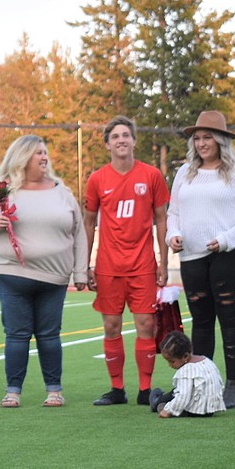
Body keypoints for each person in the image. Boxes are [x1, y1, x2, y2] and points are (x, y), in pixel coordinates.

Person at [0, 136, 88, 407]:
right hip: (11, 274)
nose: (44, 158)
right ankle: (13, 391)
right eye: (38, 154)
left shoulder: (62, 192)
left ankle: (54, 390)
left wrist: (80, 272)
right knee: (16, 333)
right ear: (21, 158)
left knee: (49, 334)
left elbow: (79, 233)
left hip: (54, 276)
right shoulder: (0, 191)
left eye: (45, 153)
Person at [165, 110, 235, 409]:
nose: (202, 143)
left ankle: (233, 383)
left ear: (220, 139)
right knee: (201, 323)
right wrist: (174, 235)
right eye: (197, 138)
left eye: (208, 137)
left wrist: (228, 239)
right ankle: (202, 379)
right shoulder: (184, 173)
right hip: (192, 257)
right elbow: (174, 213)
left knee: (230, 320)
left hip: (228, 255)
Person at [83, 116, 169, 407]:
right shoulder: (97, 179)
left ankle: (145, 390)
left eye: (126, 135)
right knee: (111, 326)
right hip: (108, 267)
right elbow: (89, 222)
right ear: (107, 144)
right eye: (115, 136)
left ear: (134, 140)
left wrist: (163, 262)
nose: (121, 140)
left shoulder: (151, 175)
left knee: (146, 325)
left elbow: (161, 219)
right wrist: (86, 263)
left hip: (143, 264)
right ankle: (117, 389)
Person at [149, 330, 226, 418]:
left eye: (172, 361)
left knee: (168, 399)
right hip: (210, 409)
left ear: (185, 356)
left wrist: (168, 411)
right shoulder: (207, 361)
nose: (169, 365)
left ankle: (157, 403)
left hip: (195, 410)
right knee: (177, 391)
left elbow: (183, 396)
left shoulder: (186, 371)